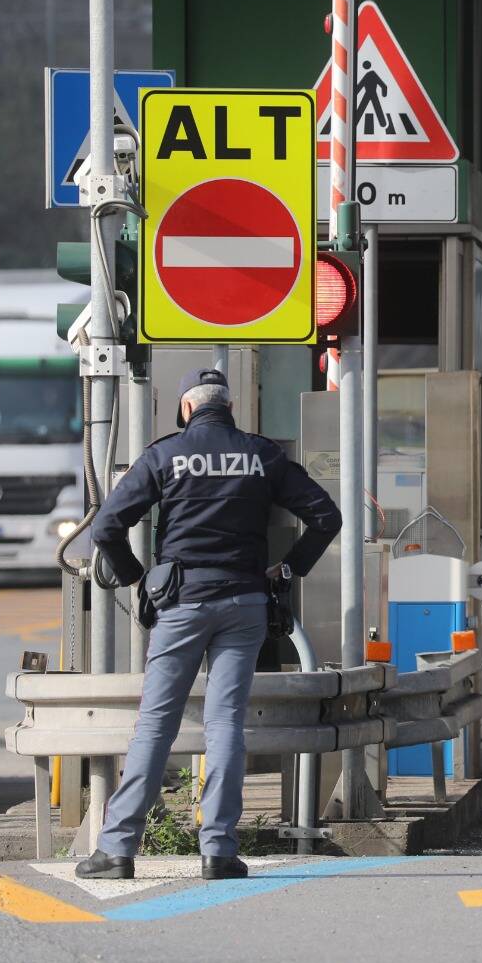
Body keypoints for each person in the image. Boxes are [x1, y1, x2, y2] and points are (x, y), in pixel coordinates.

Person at [74, 368, 341, 882]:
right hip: (244, 603)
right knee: (225, 724)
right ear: (230, 409)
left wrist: (138, 579)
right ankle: (218, 851)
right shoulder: (261, 455)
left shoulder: (165, 454)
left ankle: (117, 851)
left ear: (187, 409)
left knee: (156, 724)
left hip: (180, 602)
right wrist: (288, 569)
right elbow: (326, 517)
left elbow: (107, 526)